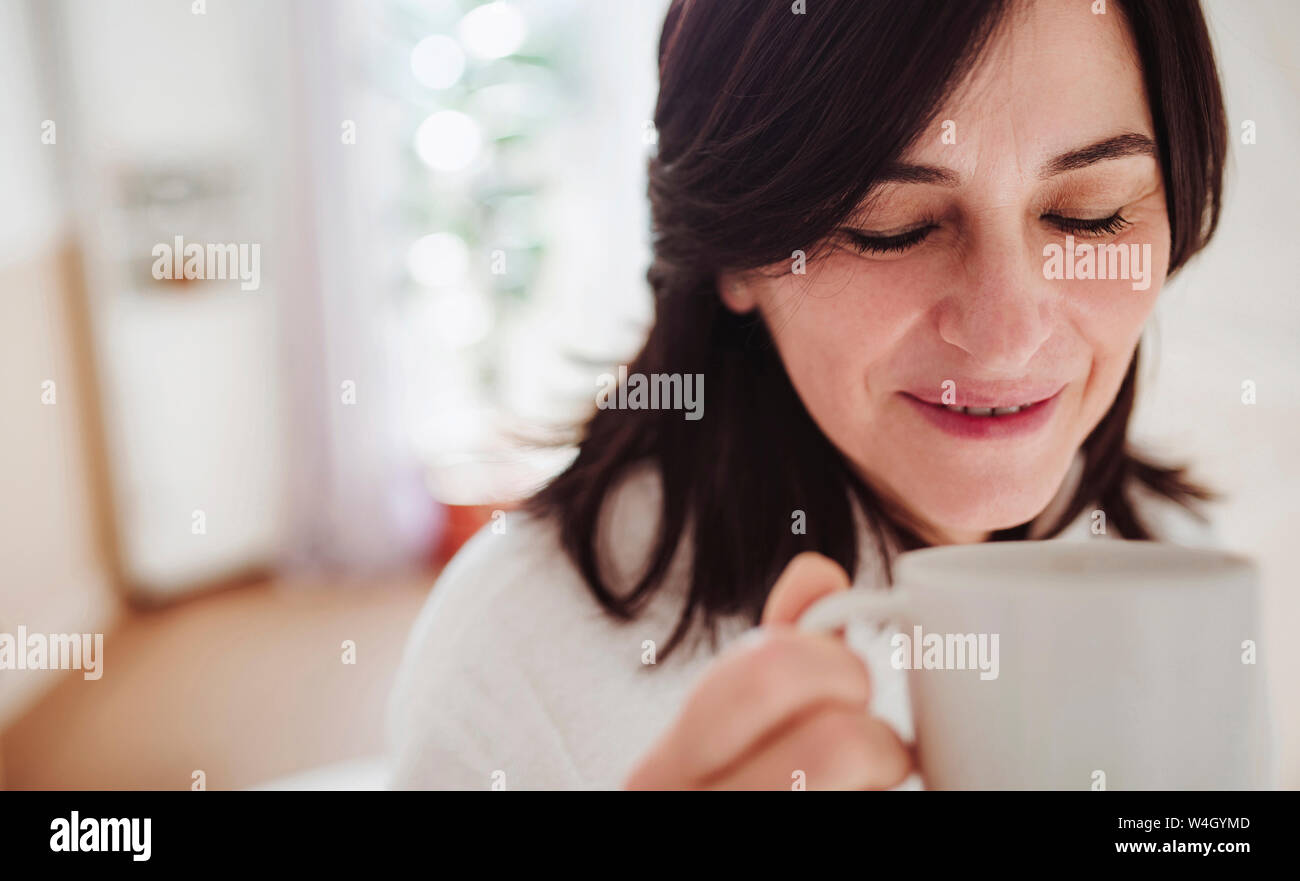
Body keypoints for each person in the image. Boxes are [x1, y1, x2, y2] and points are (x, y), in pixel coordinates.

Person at [387, 0, 1227, 790]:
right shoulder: (522, 652)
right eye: (888, 226)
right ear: (737, 255)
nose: (1008, 333)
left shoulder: (1172, 557)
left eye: (1093, 215)